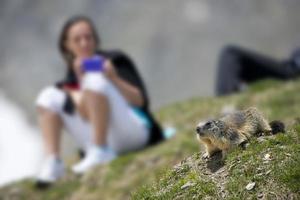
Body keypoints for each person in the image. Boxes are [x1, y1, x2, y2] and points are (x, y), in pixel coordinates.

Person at [35, 15, 164, 185]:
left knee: (94, 79)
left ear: (95, 39)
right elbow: (84, 114)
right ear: (67, 45)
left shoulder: (116, 59)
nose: (84, 43)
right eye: (77, 39)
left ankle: (100, 150)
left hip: (134, 131)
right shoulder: (71, 77)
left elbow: (141, 101)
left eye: (88, 37)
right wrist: (80, 82)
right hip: (103, 136)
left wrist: (114, 78)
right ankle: (53, 162)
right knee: (48, 96)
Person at [215, 45, 300, 96]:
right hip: (292, 65)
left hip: (294, 69)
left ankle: (227, 102)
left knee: (230, 53)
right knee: (231, 56)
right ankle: (228, 100)